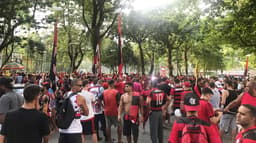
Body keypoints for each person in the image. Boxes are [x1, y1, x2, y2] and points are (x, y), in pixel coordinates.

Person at [58, 78, 89, 143]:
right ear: (74, 86)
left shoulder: (65, 95)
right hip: (75, 131)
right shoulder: (80, 98)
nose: (81, 87)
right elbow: (86, 113)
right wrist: (80, 112)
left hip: (63, 130)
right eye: (80, 85)